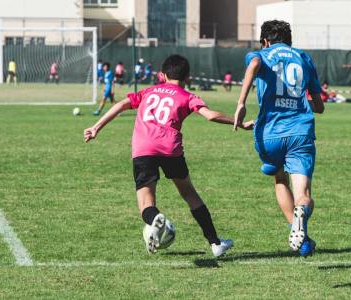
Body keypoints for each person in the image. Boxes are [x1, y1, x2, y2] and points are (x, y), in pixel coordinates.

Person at [84, 54, 249, 256]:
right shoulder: (187, 96)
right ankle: (215, 243)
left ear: (162, 75)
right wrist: (238, 122)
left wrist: (95, 128)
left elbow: (120, 105)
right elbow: (211, 115)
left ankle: (154, 220)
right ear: (187, 77)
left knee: (146, 203)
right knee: (189, 193)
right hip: (170, 148)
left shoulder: (148, 91)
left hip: (143, 148)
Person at [233, 19, 325, 257]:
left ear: (265, 41)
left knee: (278, 177)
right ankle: (300, 219)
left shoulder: (261, 54)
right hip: (300, 132)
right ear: (290, 40)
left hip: (269, 134)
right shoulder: (303, 57)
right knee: (303, 194)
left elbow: (253, 63)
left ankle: (302, 240)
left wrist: (241, 103)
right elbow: (318, 105)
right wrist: (302, 102)